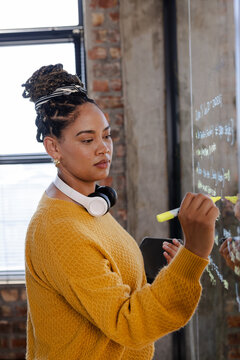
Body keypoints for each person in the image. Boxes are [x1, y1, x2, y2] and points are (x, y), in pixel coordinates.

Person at [22, 64, 219, 360]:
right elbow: (128, 324)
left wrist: (173, 271)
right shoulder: (59, 229)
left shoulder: (88, 204)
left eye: (107, 135)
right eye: (88, 140)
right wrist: (196, 252)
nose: (104, 149)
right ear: (54, 148)